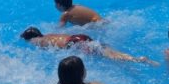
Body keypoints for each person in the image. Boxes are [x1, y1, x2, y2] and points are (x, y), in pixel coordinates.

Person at [20, 27, 156, 64]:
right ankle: (135, 58)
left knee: (108, 56)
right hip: (79, 37)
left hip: (74, 43)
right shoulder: (48, 35)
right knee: (108, 52)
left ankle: (136, 60)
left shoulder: (36, 41)